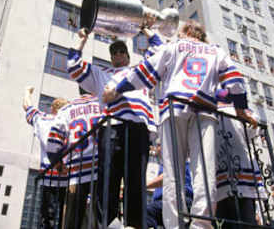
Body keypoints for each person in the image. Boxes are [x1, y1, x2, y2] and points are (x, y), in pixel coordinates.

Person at [102, 21, 256, 229]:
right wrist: (240, 110)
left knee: (173, 171)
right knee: (204, 170)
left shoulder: (173, 46)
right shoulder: (216, 51)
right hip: (205, 111)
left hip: (174, 109)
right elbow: (235, 80)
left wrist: (118, 89)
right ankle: (201, 224)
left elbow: (145, 72)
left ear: (186, 32)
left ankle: (175, 224)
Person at [66, 28, 161, 228]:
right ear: (111, 58)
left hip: (138, 127)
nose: (118, 55)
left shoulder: (139, 71)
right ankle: (107, 224)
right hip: (112, 127)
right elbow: (73, 66)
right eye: (114, 53)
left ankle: (134, 224)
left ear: (127, 55)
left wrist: (146, 29)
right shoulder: (102, 73)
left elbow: (159, 51)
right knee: (108, 179)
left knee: (135, 180)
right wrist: (81, 40)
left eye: (121, 52)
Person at [46, 93, 102, 229]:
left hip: (77, 170)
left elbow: (53, 143)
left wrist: (58, 165)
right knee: (101, 217)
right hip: (101, 168)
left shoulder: (67, 110)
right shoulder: (103, 104)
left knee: (72, 219)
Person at [214, 90, 265, 229]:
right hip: (226, 178)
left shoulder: (212, 112)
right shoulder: (210, 111)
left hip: (237, 178)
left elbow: (253, 126)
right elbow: (253, 128)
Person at [23, 87, 69, 229]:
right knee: (64, 214)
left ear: (52, 109)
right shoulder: (69, 122)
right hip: (66, 175)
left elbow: (27, 106)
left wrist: (27, 92)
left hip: (48, 174)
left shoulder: (41, 119)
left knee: (46, 215)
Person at [147, 142, 193, 229]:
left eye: (160, 145)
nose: (158, 148)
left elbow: (167, 176)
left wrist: (144, 186)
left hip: (179, 199)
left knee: (146, 212)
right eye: (158, 145)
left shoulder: (178, 159)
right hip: (165, 202)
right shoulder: (164, 164)